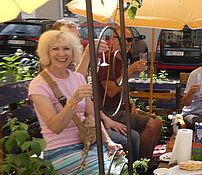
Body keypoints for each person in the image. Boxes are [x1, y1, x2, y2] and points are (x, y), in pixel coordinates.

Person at [28, 30, 125, 175]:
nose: (62, 54)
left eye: (66, 48)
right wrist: (73, 100)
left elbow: (92, 115)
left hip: (88, 143)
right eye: (55, 49)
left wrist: (109, 142)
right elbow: (55, 127)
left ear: (73, 52)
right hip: (60, 150)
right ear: (46, 53)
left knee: (124, 167)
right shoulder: (39, 85)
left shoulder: (78, 78)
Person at [54, 19, 140, 157]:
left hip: (91, 121)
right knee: (133, 137)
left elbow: (88, 102)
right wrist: (88, 54)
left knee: (138, 133)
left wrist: (105, 119)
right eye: (69, 38)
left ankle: (138, 172)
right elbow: (81, 86)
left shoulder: (74, 64)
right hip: (74, 130)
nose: (128, 43)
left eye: (77, 38)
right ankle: (136, 172)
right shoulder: (56, 71)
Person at [97, 27, 162, 161]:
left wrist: (130, 102)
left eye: (129, 40)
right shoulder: (108, 59)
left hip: (122, 108)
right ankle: (140, 166)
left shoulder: (123, 59)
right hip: (110, 111)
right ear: (113, 40)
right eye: (122, 39)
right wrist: (130, 71)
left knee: (158, 121)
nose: (127, 43)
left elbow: (122, 88)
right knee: (151, 124)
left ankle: (147, 163)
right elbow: (110, 91)